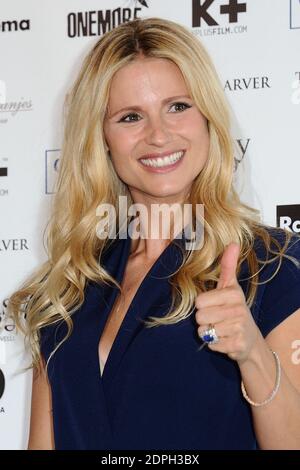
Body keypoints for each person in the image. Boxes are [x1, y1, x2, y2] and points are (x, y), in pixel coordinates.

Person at [8, 17, 300, 450]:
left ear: (207, 117)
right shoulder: (69, 285)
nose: (159, 135)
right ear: (102, 138)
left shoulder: (272, 263)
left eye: (178, 107)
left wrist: (254, 354)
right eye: (130, 117)